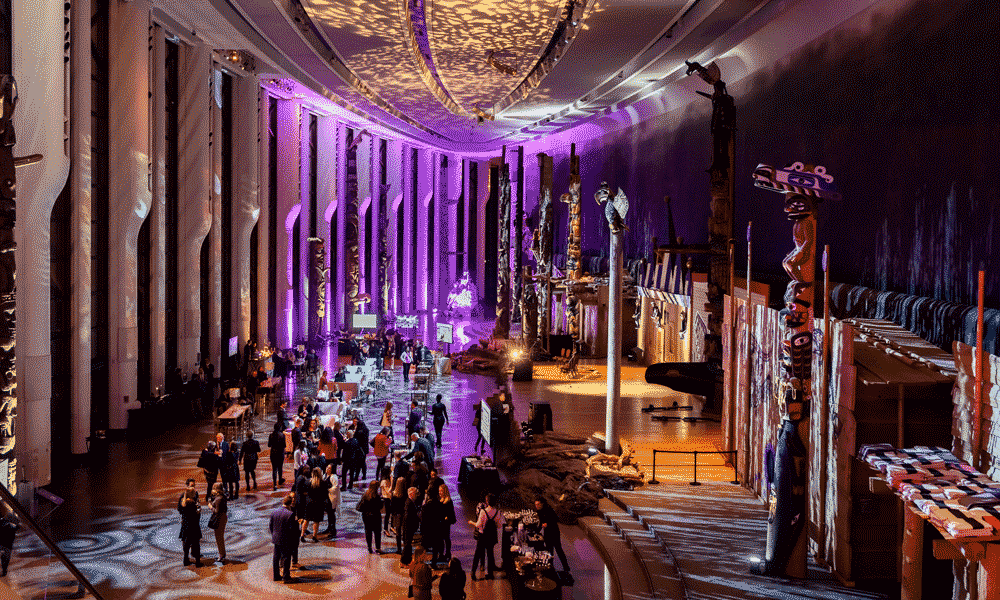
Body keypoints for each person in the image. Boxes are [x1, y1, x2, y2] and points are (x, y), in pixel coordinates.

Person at [469, 493, 504, 580]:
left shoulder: (483, 512)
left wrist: (471, 522)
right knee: (490, 554)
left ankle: (473, 573)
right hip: (491, 536)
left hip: (482, 536)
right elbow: (499, 526)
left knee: (477, 554)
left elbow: (478, 525)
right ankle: (490, 574)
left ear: (487, 501)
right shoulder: (498, 512)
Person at [269, 493, 299, 583]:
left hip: (276, 538)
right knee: (286, 557)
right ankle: (286, 576)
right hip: (285, 540)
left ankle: (276, 576)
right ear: (290, 503)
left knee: (276, 557)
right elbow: (292, 530)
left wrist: (274, 534)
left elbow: (270, 526)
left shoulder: (274, 512)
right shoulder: (290, 514)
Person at [535, 497, 570, 572]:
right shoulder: (539, 511)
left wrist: (548, 524)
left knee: (558, 549)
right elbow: (541, 522)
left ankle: (566, 567)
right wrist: (537, 531)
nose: (536, 506)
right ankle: (550, 566)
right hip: (547, 532)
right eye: (535, 504)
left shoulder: (549, 509)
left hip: (554, 531)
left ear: (542, 504)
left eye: (538, 504)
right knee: (549, 550)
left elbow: (555, 519)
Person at [177, 483, 203, 567]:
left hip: (185, 525)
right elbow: (197, 515)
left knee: (186, 543)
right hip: (193, 525)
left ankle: (185, 560)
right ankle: (198, 562)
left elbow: (180, 511)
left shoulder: (183, 503)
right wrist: (198, 508)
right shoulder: (193, 504)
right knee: (196, 543)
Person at [302, 467, 329, 542]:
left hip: (309, 503)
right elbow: (325, 495)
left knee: (306, 520)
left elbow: (304, 492)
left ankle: (302, 535)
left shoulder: (307, 481)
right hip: (318, 504)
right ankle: (314, 536)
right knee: (316, 521)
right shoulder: (323, 483)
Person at [357, 480, 384, 553]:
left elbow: (362, 505)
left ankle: (369, 547)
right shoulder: (377, 496)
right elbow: (380, 507)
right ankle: (378, 548)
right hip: (375, 516)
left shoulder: (365, 494)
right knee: (377, 532)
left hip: (366, 516)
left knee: (368, 532)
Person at [421, 485, 444, 568]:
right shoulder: (439, 504)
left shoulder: (426, 505)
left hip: (427, 528)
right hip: (436, 528)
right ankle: (434, 564)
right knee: (435, 548)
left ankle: (422, 563)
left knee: (424, 547)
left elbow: (422, 519)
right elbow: (441, 516)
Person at [401, 486, 420, 566]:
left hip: (408, 527)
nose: (416, 495)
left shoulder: (409, 502)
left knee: (408, 544)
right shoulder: (409, 503)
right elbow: (408, 517)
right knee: (407, 544)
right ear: (412, 494)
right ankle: (404, 561)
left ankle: (407, 560)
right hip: (408, 527)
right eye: (415, 494)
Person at [209, 482, 229, 562]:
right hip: (222, 518)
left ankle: (221, 555)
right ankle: (222, 553)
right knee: (220, 537)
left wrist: (210, 507)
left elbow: (216, 511)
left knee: (219, 538)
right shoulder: (222, 497)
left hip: (219, 519)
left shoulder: (219, 499)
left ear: (216, 489)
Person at [438, 485, 456, 562]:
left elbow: (451, 513)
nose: (439, 492)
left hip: (445, 523)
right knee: (440, 539)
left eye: (441, 491)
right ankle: (441, 554)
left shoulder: (449, 501)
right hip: (440, 522)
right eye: (439, 491)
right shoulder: (440, 500)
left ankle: (448, 553)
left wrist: (447, 517)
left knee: (446, 538)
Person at [323, 465, 341, 537]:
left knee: (331, 515)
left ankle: (333, 531)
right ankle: (329, 528)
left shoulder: (333, 477)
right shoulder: (325, 475)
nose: (327, 469)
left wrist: (328, 490)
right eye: (327, 467)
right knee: (329, 514)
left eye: (329, 468)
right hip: (326, 497)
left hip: (332, 498)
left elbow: (336, 487)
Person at [268, 421, 287, 488]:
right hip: (280, 453)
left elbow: (269, 445)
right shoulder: (282, 435)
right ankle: (280, 480)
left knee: (274, 469)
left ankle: (274, 484)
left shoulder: (271, 435)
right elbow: (284, 445)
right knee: (280, 467)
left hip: (273, 453)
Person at [0, 512, 18, 578]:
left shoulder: (9, 525)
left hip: (3, 544)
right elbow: (17, 528)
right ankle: (4, 570)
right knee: (5, 558)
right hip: (7, 545)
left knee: (4, 557)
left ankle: (4, 570)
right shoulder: (12, 526)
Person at [353, 416, 370, 482]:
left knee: (358, 463)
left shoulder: (358, 432)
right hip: (365, 449)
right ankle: (364, 476)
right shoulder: (366, 430)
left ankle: (356, 476)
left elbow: (355, 438)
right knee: (363, 463)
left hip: (359, 449)